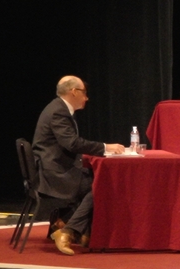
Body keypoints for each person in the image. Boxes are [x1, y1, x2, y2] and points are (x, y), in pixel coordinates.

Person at [33, 75, 124, 255]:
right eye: (84, 93)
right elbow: (72, 144)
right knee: (101, 186)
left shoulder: (58, 108)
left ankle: (69, 226)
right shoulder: (58, 111)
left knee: (96, 181)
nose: (86, 98)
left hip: (57, 167)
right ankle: (69, 231)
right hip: (55, 173)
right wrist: (105, 147)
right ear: (74, 92)